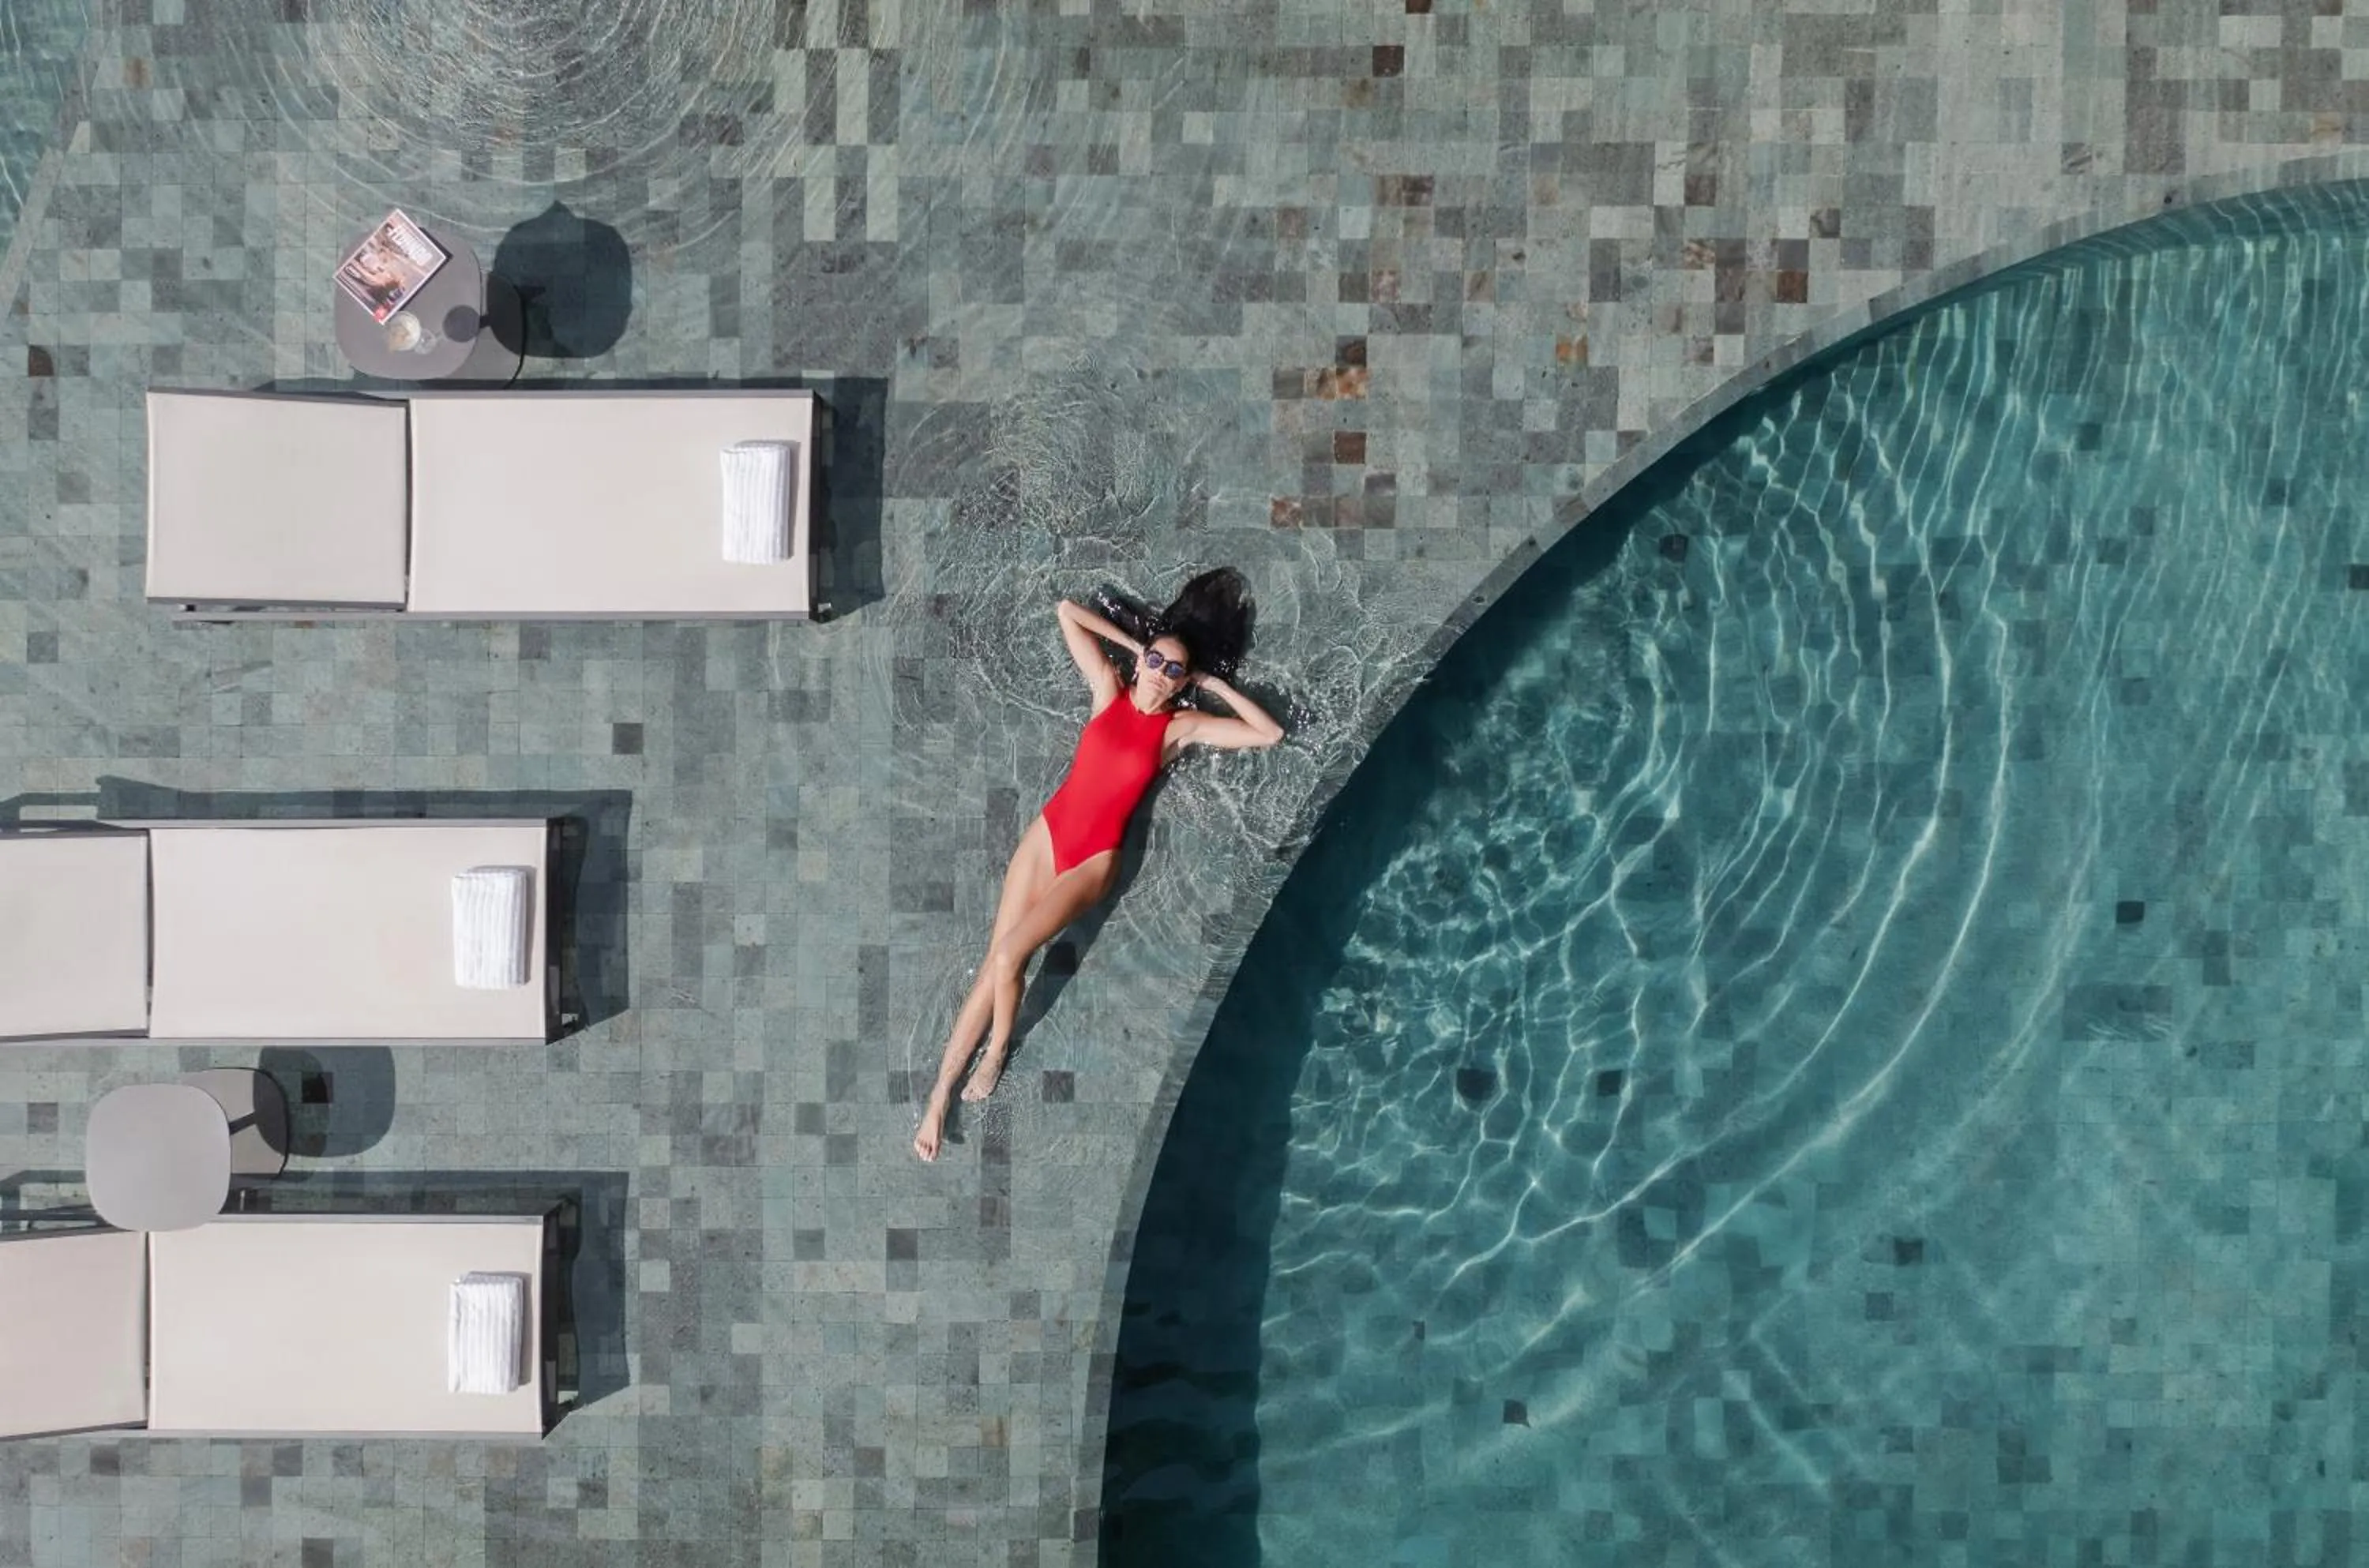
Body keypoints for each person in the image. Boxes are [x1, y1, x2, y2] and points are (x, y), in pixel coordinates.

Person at [914, 568, 1284, 1161]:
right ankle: (938, 1094)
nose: (1163, 676)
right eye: (1158, 664)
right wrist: (1141, 646)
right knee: (993, 964)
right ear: (1142, 664)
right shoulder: (1107, 691)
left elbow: (1268, 733)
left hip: (1092, 861)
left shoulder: (1178, 729)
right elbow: (1066, 610)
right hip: (1048, 834)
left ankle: (999, 1047)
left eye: (1174, 671)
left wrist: (1211, 683)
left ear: (1184, 681)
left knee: (1013, 955)